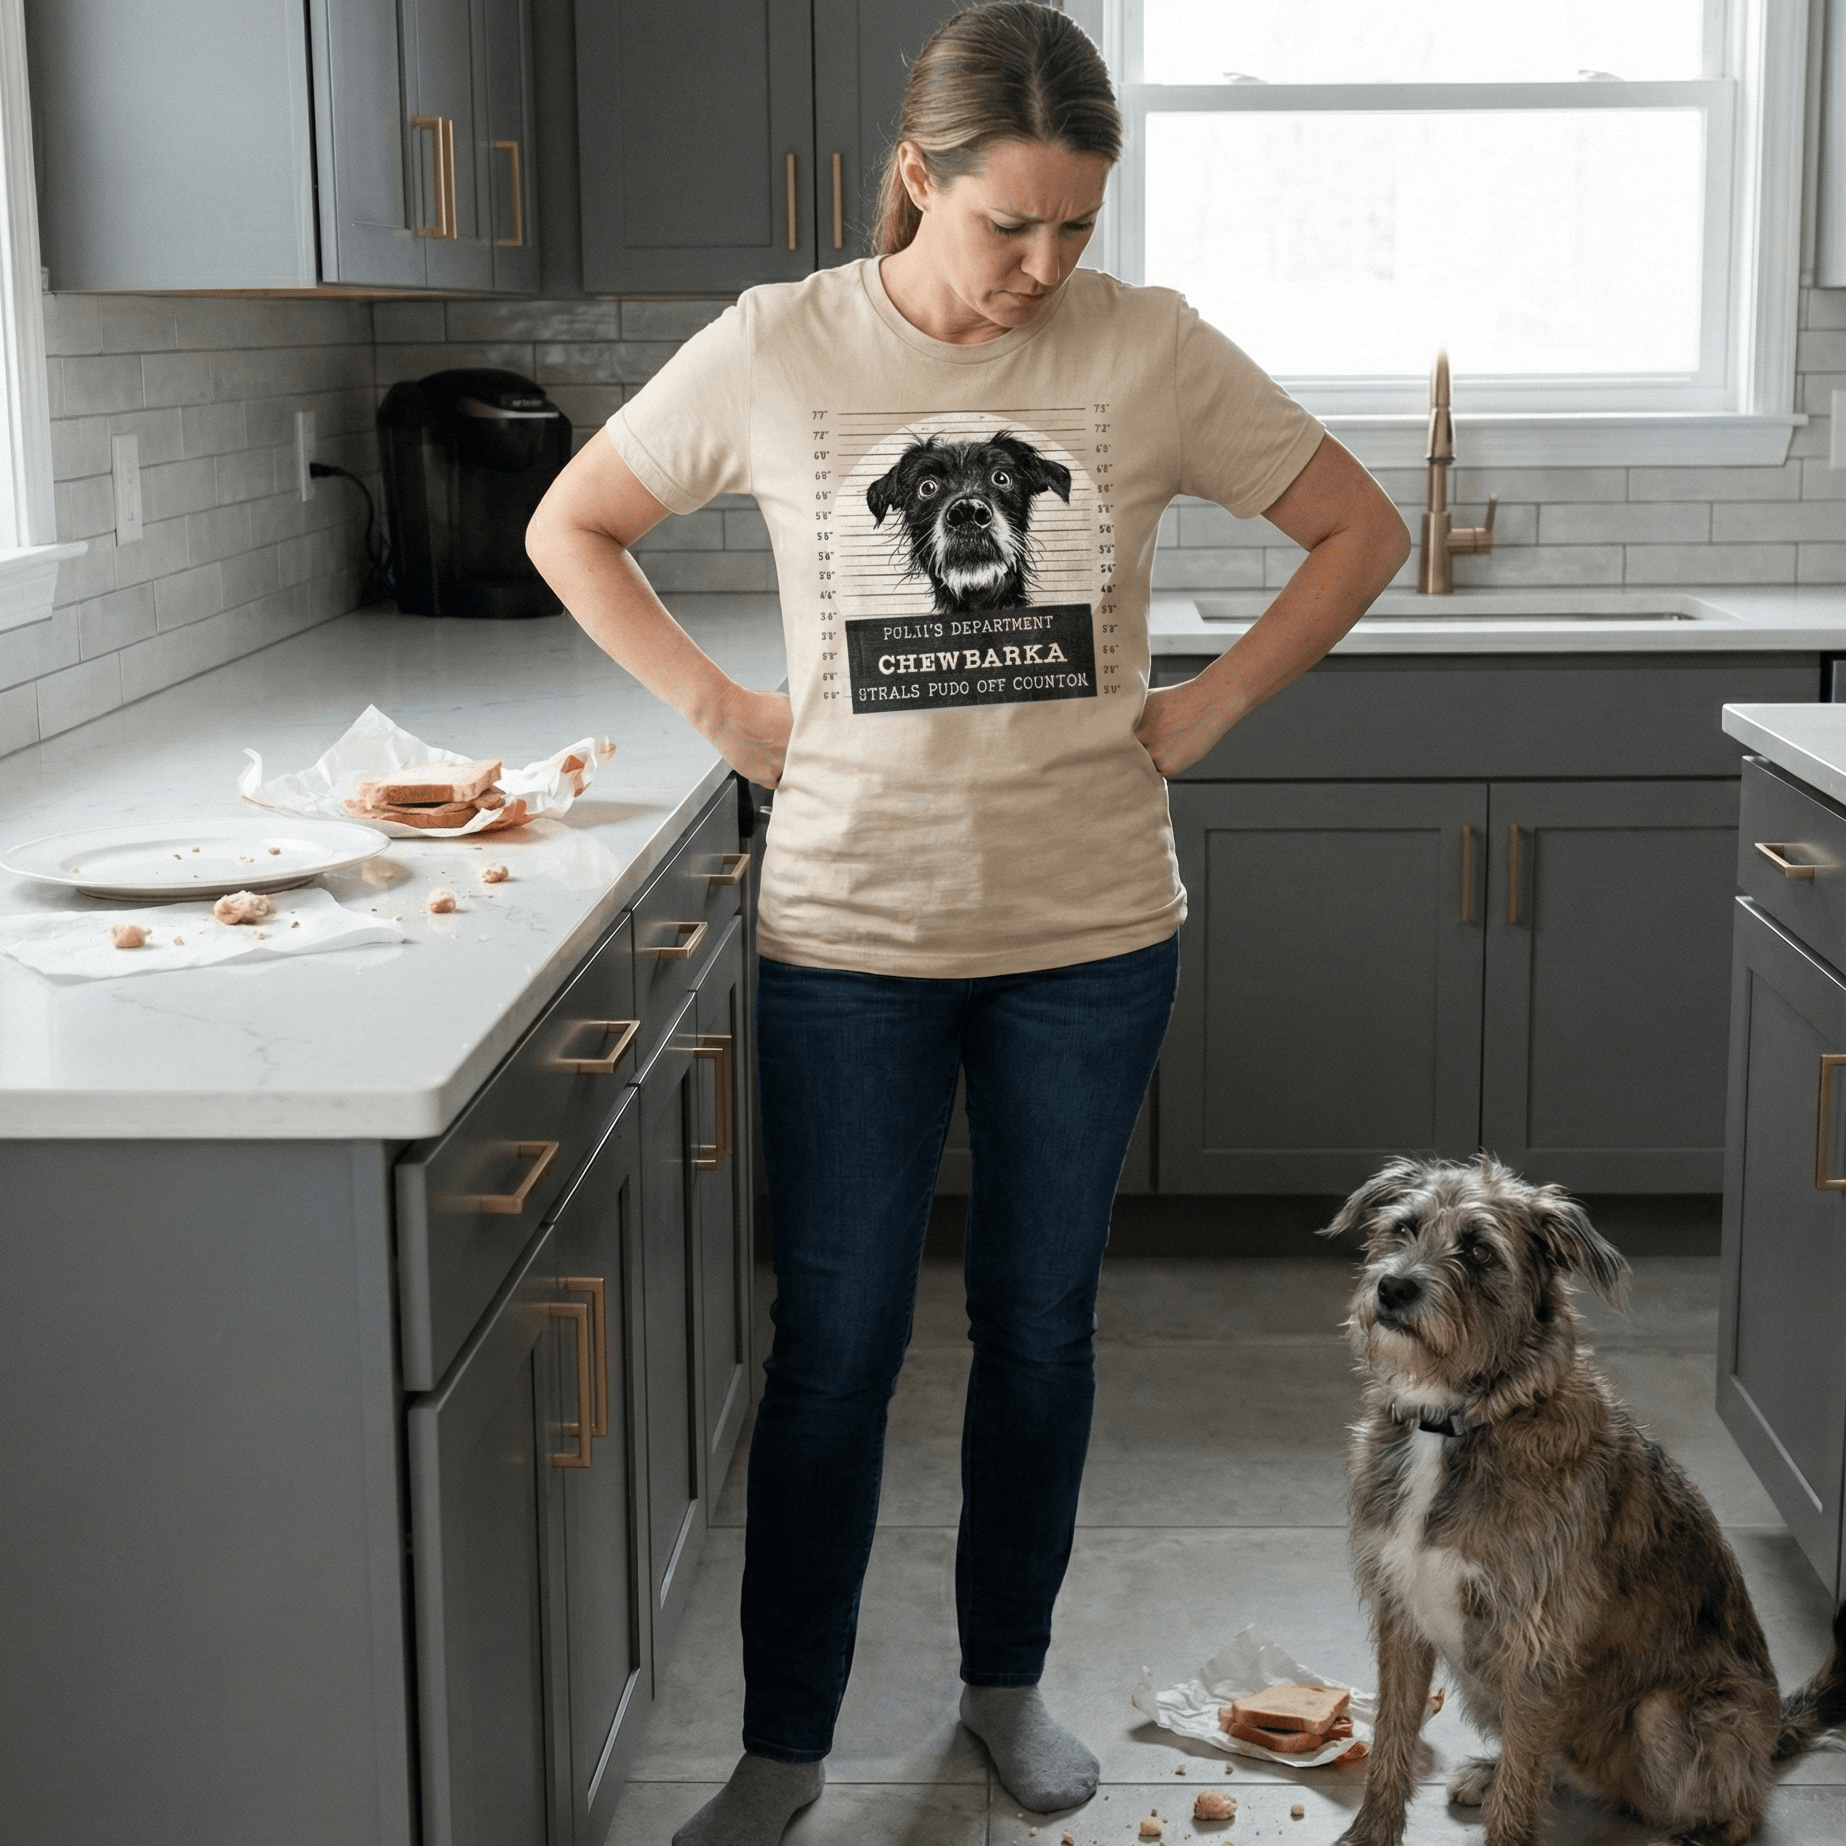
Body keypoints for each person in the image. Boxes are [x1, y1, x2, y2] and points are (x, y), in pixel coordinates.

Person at [527, 7, 1409, 1841]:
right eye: (1011, 224)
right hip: (847, 932)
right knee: (836, 1344)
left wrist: (1209, 706)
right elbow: (574, 523)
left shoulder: (1145, 347)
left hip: (1091, 930)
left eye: (1076, 228)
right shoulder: (782, 344)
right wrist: (726, 713)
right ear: (916, 175)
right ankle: (787, 1738)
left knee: (1040, 1326)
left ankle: (1002, 1683)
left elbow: (1352, 526)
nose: (1043, 268)